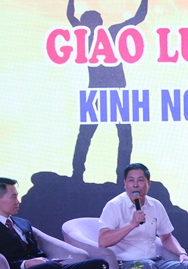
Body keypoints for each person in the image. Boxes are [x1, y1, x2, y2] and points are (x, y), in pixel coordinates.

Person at [67, 0, 148, 184]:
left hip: (111, 92)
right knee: (93, 136)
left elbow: (71, 16)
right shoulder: (96, 34)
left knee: (97, 136)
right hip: (102, 92)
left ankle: (85, 174)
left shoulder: (97, 34)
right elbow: (138, 17)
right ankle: (81, 174)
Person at [98, 163, 188, 269]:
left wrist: (182, 253)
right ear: (125, 183)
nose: (135, 185)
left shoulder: (156, 205)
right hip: (127, 263)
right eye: (131, 180)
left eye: (140, 180)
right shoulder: (114, 205)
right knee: (148, 267)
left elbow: (167, 237)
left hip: (155, 260)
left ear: (148, 183)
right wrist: (131, 224)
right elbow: (103, 241)